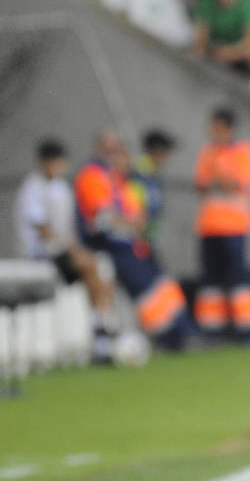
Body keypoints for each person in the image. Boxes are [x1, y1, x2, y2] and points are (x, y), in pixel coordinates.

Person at [74, 130, 195, 348]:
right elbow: (103, 217)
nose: (116, 154)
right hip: (109, 245)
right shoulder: (92, 175)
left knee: (163, 283)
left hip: (131, 243)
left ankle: (182, 329)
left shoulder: (116, 179)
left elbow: (134, 212)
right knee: (147, 288)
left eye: (118, 149)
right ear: (100, 149)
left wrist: (136, 222)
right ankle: (169, 336)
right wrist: (131, 222)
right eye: (111, 149)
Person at [13, 139, 117, 362]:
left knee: (102, 268)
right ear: (44, 162)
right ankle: (100, 330)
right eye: (53, 162)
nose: (58, 166)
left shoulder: (61, 188)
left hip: (60, 251)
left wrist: (75, 247)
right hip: (38, 254)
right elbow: (43, 230)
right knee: (90, 266)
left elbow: (66, 230)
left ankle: (103, 327)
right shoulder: (32, 188)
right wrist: (72, 248)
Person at [192, 107, 250, 341]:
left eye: (217, 127)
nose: (213, 131)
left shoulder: (244, 151)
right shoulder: (208, 151)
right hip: (209, 227)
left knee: (239, 281)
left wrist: (218, 179)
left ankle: (249, 332)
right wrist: (220, 180)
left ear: (228, 127)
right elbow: (201, 184)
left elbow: (236, 184)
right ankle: (211, 332)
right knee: (211, 283)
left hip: (235, 227)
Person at [128, 128, 177, 253]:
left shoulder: (151, 172)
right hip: (137, 239)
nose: (169, 156)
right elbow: (134, 205)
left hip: (146, 238)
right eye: (167, 150)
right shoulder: (140, 173)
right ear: (157, 150)